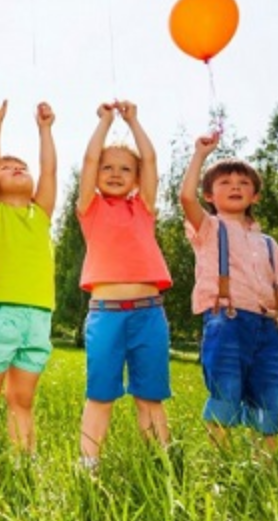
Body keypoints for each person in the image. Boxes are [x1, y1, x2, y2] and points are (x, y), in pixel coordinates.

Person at [180, 131, 278, 450]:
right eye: (225, 182)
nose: (235, 186)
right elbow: (186, 198)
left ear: (255, 196)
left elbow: (273, 293)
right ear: (209, 195)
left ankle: (265, 468)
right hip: (227, 322)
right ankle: (221, 466)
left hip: (267, 328)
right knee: (225, 392)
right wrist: (200, 154)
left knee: (270, 395)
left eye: (243, 183)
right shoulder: (209, 229)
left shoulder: (267, 243)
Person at [0, 92, 57, 490]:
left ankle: (23, 463)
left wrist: (45, 130)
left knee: (23, 400)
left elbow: (50, 171)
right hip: (0, 314)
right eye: (7, 167)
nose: (17, 168)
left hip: (39, 317)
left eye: (21, 166)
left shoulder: (41, 214)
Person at [76, 101, 173, 473]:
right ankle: (88, 464)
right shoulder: (90, 208)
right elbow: (88, 159)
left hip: (149, 314)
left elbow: (150, 159)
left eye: (125, 169)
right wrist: (104, 122)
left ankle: (160, 466)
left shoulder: (143, 208)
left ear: (136, 178)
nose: (115, 173)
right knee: (100, 394)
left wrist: (133, 121)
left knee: (150, 396)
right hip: (106, 316)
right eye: (108, 167)